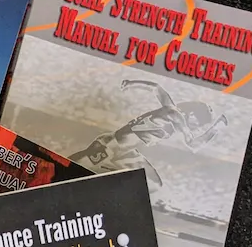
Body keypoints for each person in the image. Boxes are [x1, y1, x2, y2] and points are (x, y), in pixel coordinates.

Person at [70, 78, 228, 192]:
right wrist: (217, 128)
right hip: (111, 147)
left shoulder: (171, 107)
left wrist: (132, 83)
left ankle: (105, 187)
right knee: (70, 167)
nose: (197, 127)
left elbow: (156, 88)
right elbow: (193, 145)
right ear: (192, 116)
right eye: (198, 124)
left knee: (153, 184)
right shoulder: (176, 116)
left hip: (126, 152)